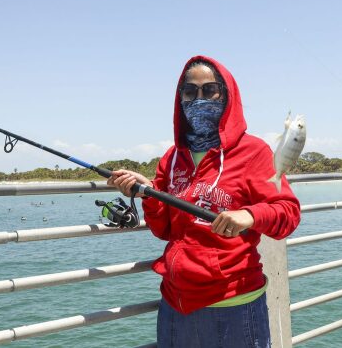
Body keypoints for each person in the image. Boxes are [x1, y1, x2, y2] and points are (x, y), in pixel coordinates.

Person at [110, 55, 300, 348]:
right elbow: (165, 230)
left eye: (210, 90)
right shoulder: (172, 158)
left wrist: (249, 216)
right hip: (176, 305)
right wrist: (147, 191)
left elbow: (287, 213)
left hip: (234, 305)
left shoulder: (253, 152)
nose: (199, 99)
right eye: (190, 92)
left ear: (227, 96)